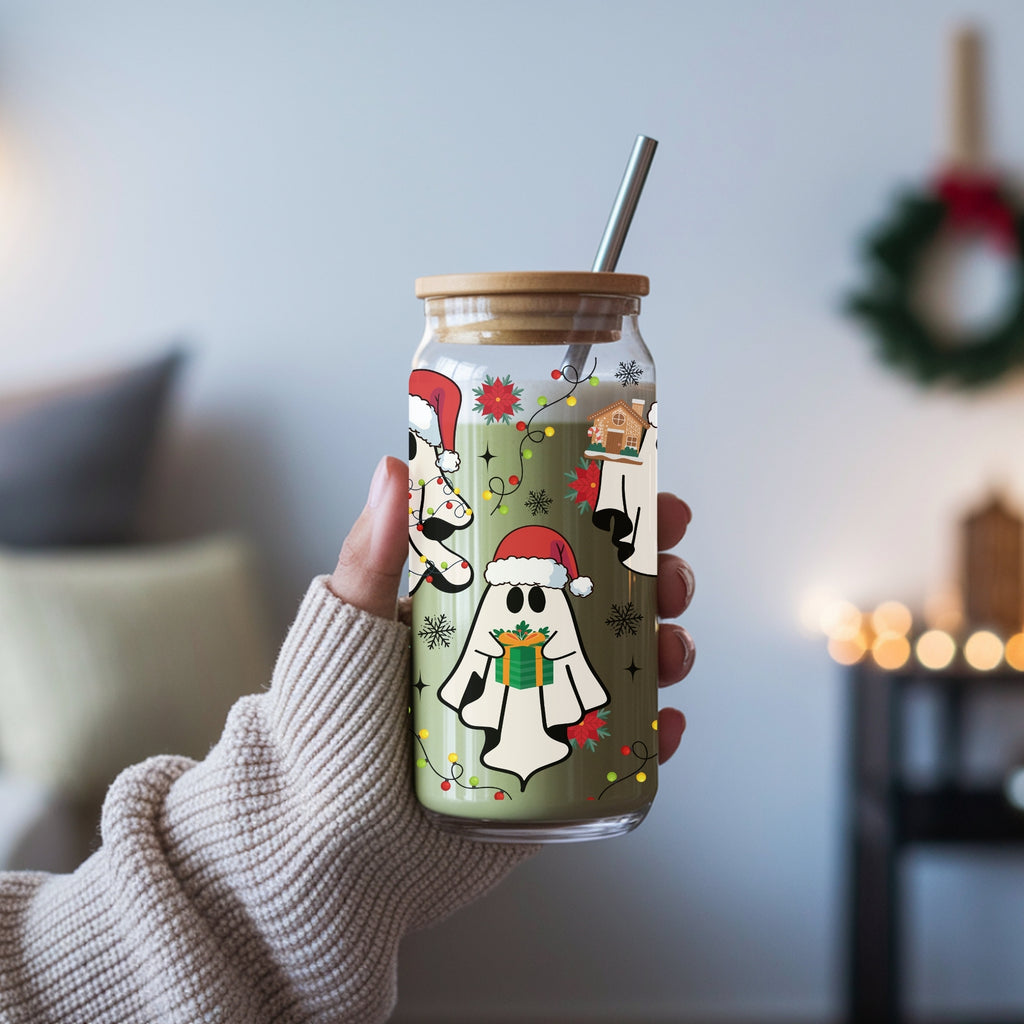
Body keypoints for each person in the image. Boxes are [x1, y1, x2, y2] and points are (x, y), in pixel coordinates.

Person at [0, 457, 695, 1023]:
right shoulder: (504, 627)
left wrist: (273, 855)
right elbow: (475, 678)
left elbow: (568, 675)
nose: (520, 607)